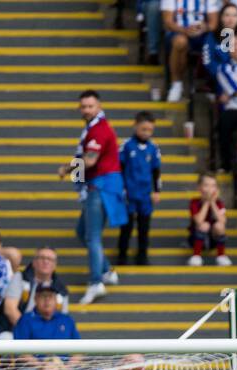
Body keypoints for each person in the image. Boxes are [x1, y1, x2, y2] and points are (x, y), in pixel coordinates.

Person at [58, 90, 123, 306]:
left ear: (99, 106)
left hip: (101, 187)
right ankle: (106, 271)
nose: (86, 110)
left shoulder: (99, 130)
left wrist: (66, 169)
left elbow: (90, 161)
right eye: (83, 106)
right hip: (97, 186)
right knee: (82, 231)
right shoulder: (94, 128)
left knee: (92, 236)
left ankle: (96, 282)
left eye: (90, 106)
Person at [117, 110, 162, 266]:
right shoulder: (126, 146)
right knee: (126, 226)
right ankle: (122, 253)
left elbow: (156, 171)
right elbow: (119, 168)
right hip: (129, 193)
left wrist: (157, 191)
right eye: (143, 129)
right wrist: (120, 188)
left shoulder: (154, 148)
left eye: (150, 130)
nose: (146, 133)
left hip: (145, 195)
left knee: (144, 227)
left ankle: (142, 254)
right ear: (135, 126)